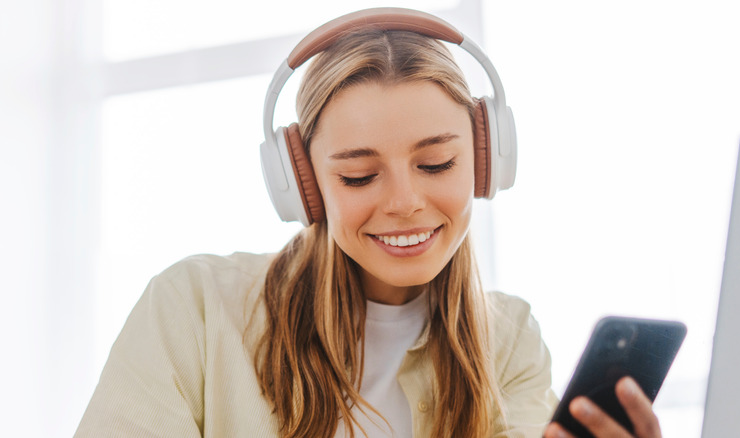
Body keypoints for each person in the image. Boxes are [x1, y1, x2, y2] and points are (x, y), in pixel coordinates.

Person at [75, 8, 663, 438]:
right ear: (303, 185)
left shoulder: (508, 340)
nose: (405, 202)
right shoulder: (192, 310)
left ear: (488, 160)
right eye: (358, 176)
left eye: (436, 163)